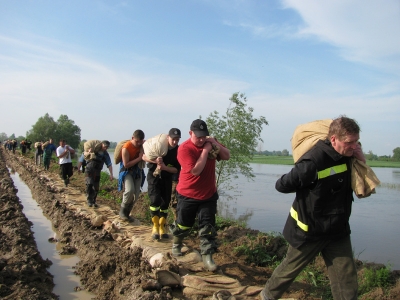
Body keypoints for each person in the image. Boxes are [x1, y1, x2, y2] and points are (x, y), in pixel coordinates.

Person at [259, 116, 367, 300]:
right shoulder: (312, 162)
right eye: (350, 142)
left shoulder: (349, 157)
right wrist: (304, 181)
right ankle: (266, 296)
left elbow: (362, 186)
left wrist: (360, 157)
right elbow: (281, 185)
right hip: (310, 231)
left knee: (347, 280)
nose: (355, 146)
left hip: (337, 230)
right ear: (334, 139)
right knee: (288, 270)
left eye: (357, 141)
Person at [170, 119, 230, 272]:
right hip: (187, 194)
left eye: (204, 136)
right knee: (184, 224)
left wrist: (214, 143)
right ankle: (177, 243)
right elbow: (196, 170)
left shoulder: (210, 143)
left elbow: (226, 156)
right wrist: (206, 150)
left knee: (207, 226)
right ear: (191, 133)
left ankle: (207, 257)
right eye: (198, 137)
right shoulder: (184, 148)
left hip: (208, 195)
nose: (202, 139)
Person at [142, 128, 181, 240]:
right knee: (155, 200)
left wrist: (164, 167)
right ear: (168, 137)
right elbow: (144, 157)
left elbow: (176, 170)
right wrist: (155, 162)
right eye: (173, 139)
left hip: (167, 178)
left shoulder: (178, 151)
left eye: (177, 140)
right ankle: (155, 226)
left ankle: (162, 226)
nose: (174, 142)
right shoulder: (158, 146)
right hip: (154, 177)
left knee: (165, 203)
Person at [118, 130, 145, 221]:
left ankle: (127, 213)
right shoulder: (126, 148)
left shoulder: (142, 145)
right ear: (132, 138)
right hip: (127, 171)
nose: (138, 144)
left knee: (136, 194)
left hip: (137, 171)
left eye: (140, 142)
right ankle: (122, 211)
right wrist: (139, 158)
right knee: (130, 190)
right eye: (136, 141)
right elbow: (126, 164)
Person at [83, 140, 114, 207]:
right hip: (89, 169)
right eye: (104, 147)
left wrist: (111, 174)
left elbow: (109, 164)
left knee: (96, 187)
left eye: (107, 147)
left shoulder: (105, 154)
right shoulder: (94, 149)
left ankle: (93, 201)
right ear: (101, 144)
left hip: (97, 171)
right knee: (89, 184)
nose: (105, 148)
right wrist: (89, 152)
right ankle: (89, 200)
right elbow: (84, 156)